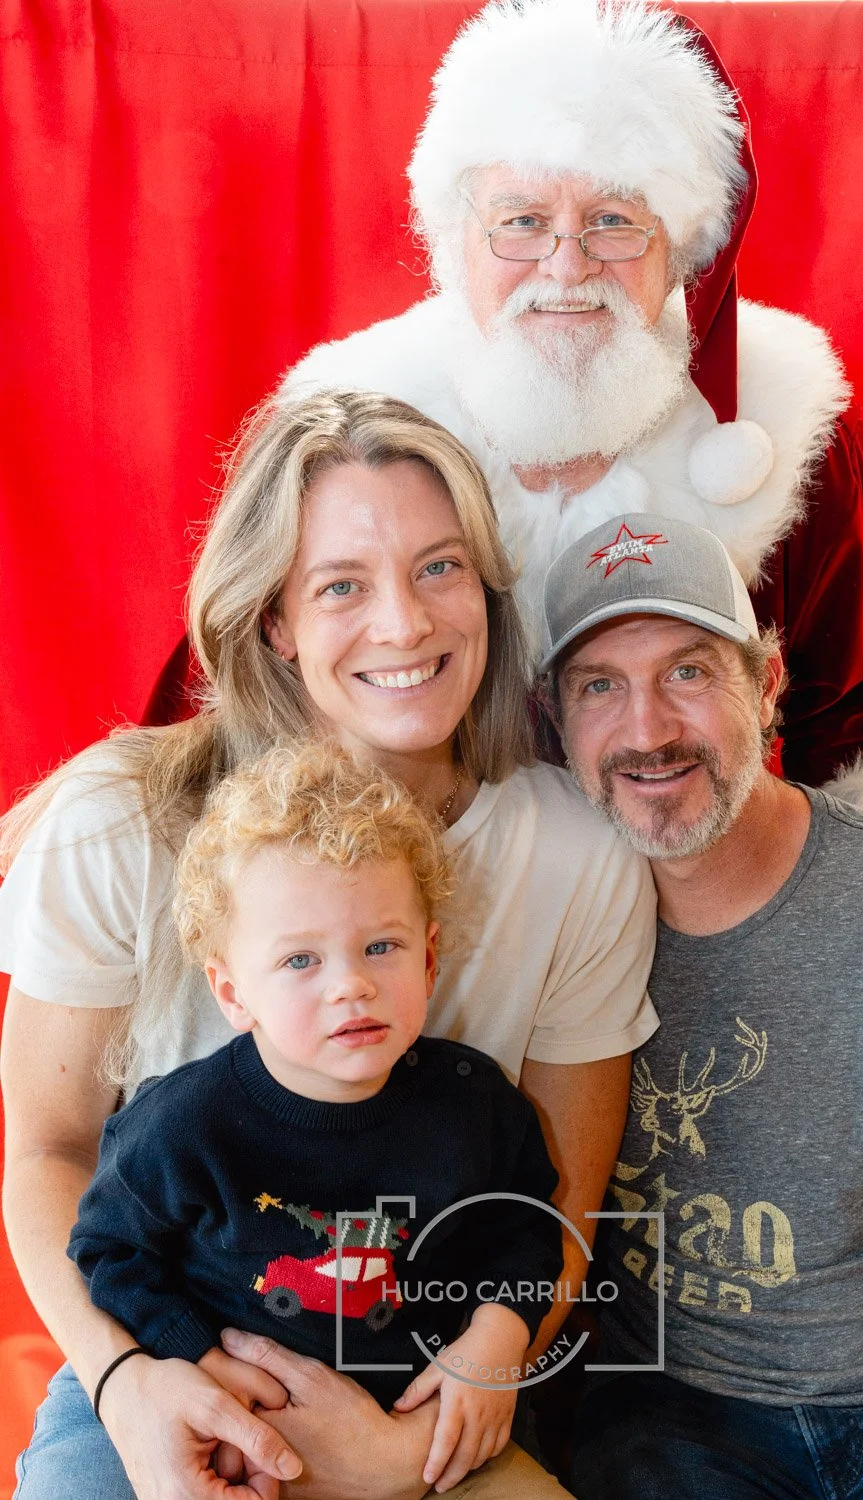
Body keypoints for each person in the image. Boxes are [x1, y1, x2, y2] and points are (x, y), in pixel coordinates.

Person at [0, 390, 656, 1500]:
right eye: (342, 585)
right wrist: (130, 1383)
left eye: (440, 568)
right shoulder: (118, 821)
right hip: (162, 1362)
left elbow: (553, 1217)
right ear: (275, 622)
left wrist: (415, 1439)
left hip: (429, 1386)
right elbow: (48, 1153)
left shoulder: (577, 852)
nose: (404, 623)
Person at [193, 0, 863, 848]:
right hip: (411, 900)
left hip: (703, 899)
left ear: (680, 250)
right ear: (454, 241)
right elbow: (229, 701)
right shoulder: (347, 430)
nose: (566, 268)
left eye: (614, 221)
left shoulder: (782, 418)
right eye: (521, 222)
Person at [538, 511, 863, 1499]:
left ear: (767, 684)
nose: (647, 731)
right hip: (677, 1417)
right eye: (599, 686)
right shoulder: (547, 928)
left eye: (689, 673)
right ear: (557, 720)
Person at [68, 741, 564, 1496]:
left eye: (381, 946)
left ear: (429, 959)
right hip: (244, 1441)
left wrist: (501, 1331)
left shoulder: (476, 1106)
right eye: (301, 961)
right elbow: (107, 1250)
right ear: (233, 993)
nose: (352, 985)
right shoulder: (182, 1125)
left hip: (431, 1445)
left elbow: (526, 1227)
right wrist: (197, 1356)